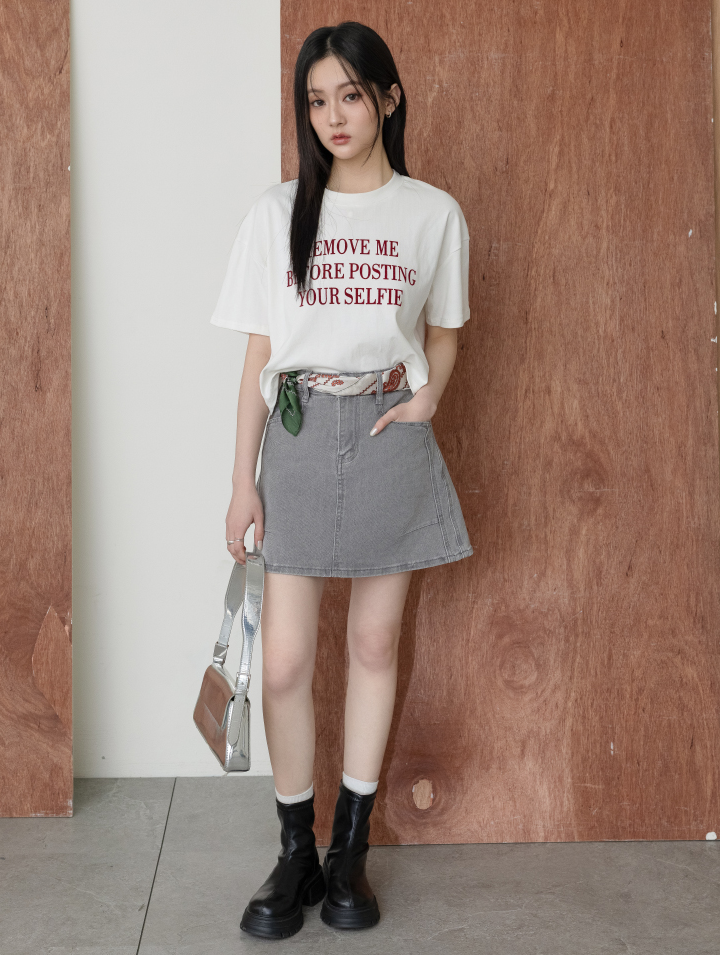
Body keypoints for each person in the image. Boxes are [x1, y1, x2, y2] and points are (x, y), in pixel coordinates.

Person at [211, 20, 473, 940]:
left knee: (372, 642)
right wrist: (241, 481)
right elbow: (258, 356)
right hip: (295, 429)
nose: (333, 115)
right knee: (283, 659)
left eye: (350, 95)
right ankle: (295, 850)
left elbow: (444, 329)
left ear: (387, 99)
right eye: (316, 100)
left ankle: (349, 849)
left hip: (385, 428)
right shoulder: (275, 212)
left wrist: (427, 398)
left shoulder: (431, 213)